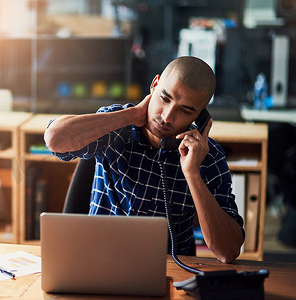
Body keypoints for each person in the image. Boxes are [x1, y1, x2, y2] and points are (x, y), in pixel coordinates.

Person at [44, 56, 244, 263]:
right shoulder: (115, 123)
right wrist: (131, 115)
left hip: (166, 268)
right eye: (165, 98)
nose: (167, 117)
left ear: (200, 116)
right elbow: (54, 139)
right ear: (154, 85)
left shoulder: (208, 156)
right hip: (99, 259)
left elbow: (227, 251)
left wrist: (192, 174)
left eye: (185, 110)